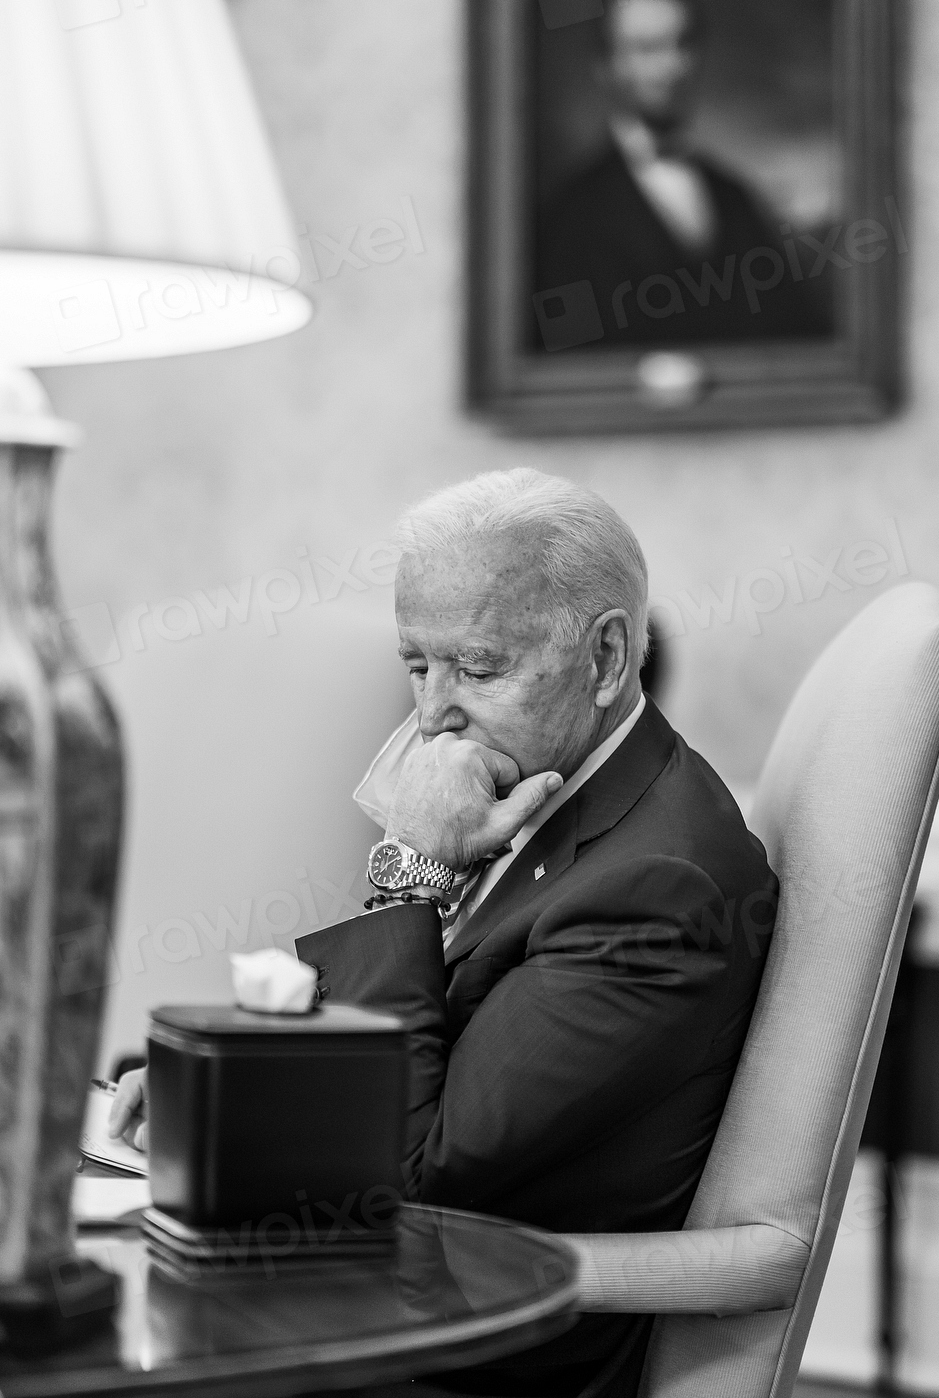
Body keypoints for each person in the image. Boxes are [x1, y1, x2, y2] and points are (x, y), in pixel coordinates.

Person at [112, 468, 777, 1398]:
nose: (429, 716)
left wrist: (410, 871)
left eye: (477, 667)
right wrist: (214, 1086)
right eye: (416, 666)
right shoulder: (540, 788)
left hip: (456, 1356)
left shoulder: (656, 888)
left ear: (607, 657)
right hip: (366, 1293)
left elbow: (417, 1178)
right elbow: (412, 1058)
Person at [535, 0, 831, 349]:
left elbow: (796, 332)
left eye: (683, 45)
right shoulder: (571, 212)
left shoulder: (734, 196)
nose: (671, 67)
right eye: (648, 49)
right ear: (605, 67)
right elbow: (564, 359)